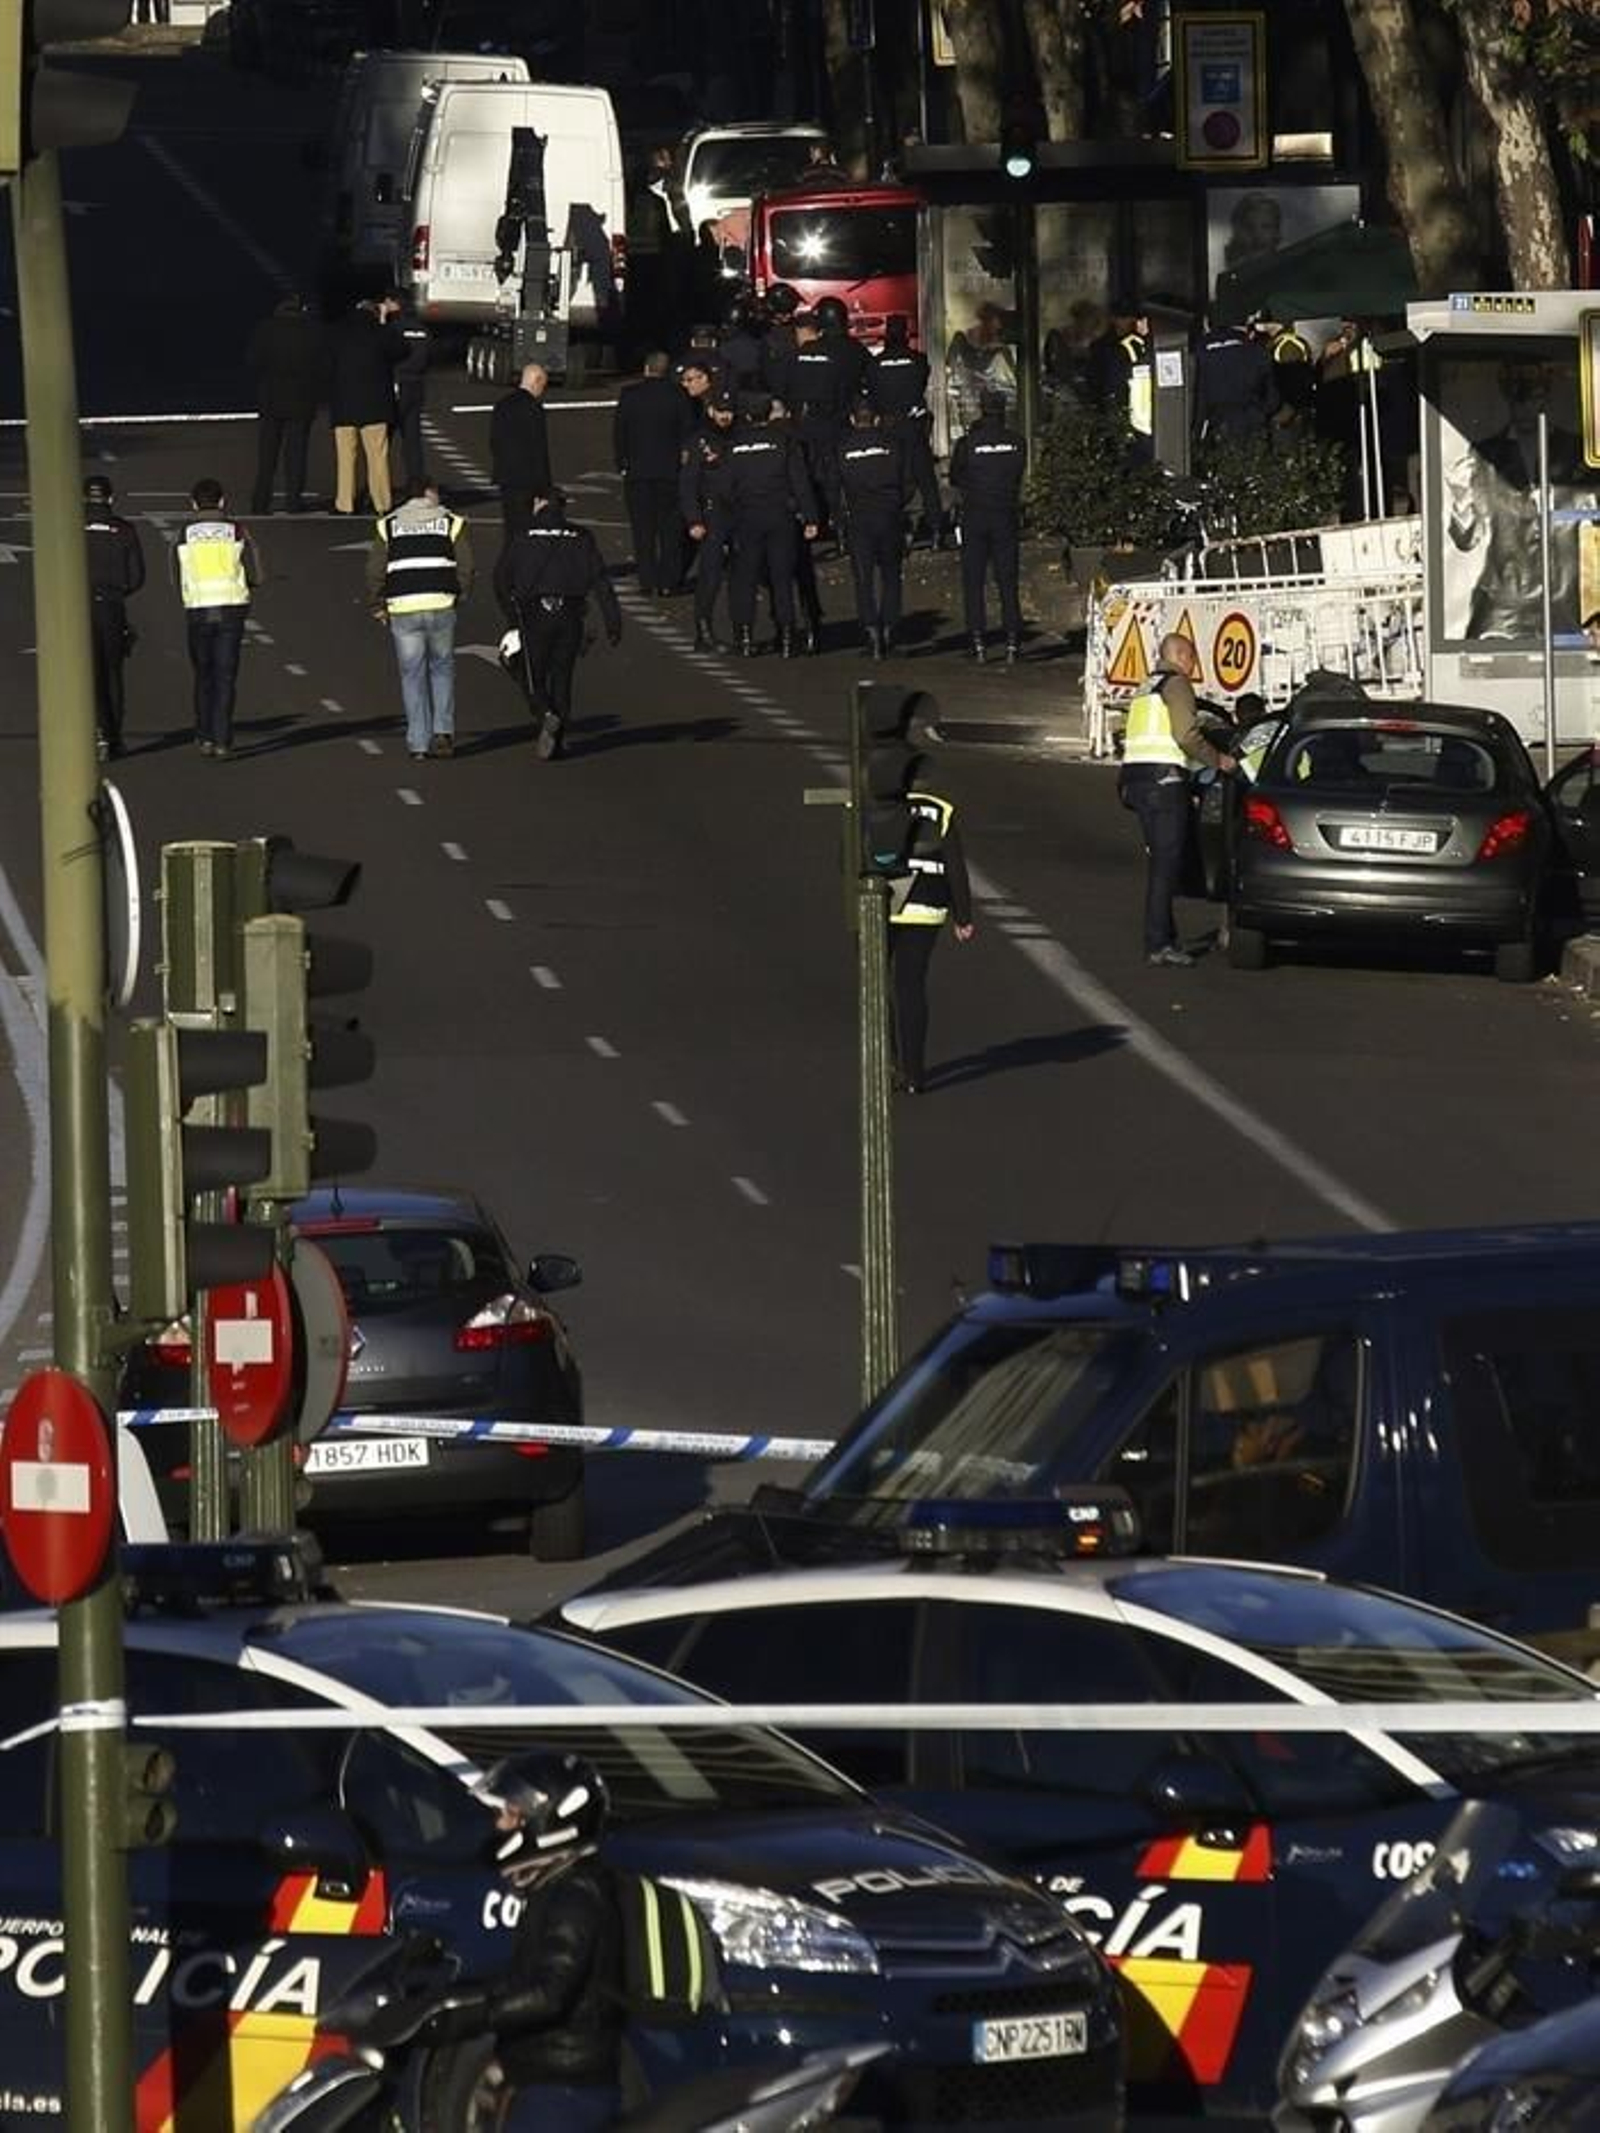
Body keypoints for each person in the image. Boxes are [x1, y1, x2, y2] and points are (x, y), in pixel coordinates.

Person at [420, 1753, 625, 2132]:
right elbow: (523, 1977)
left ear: (550, 1823)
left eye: (512, 1815)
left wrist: (475, 2015)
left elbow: (549, 1992)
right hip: (543, 2082)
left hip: (564, 2092)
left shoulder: (576, 1895)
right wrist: (451, 2000)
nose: (499, 1824)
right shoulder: (552, 1887)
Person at [1118, 632, 1237, 967]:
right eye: (1193, 658)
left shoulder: (1146, 687)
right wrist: (1218, 760)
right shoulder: (1177, 684)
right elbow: (1185, 734)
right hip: (1164, 782)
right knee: (1166, 866)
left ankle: (1164, 937)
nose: (1194, 666)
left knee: (1160, 862)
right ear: (1182, 656)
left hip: (1136, 780)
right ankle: (1158, 943)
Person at [494, 489, 622, 759]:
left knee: (531, 674)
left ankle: (545, 713)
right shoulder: (582, 536)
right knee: (562, 677)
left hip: (534, 614)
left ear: (539, 504)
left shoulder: (522, 535)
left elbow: (501, 579)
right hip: (571, 613)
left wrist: (513, 615)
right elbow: (601, 581)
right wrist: (613, 621)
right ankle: (559, 740)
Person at [882, 752, 975, 1094]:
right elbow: (956, 866)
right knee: (911, 985)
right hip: (929, 903)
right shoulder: (941, 810)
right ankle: (914, 1074)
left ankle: (887, 1062)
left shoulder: (878, 806)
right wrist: (963, 916)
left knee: (875, 983)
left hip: (886, 899)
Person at [366, 479, 474, 762]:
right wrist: (459, 595)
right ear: (428, 494)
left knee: (412, 675)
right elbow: (466, 564)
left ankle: (418, 743)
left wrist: (377, 604)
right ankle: (443, 731)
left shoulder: (388, 525)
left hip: (403, 607)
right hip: (440, 604)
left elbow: (375, 569)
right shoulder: (450, 522)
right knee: (442, 669)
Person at [171, 477, 260, 759]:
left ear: (193, 504)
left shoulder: (184, 533)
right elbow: (256, 571)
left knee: (203, 675)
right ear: (222, 501)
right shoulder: (236, 530)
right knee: (225, 676)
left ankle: (204, 735)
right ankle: (222, 740)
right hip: (231, 608)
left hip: (198, 608)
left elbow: (174, 574)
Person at [725, 391, 818, 658]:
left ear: (745, 416)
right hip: (780, 515)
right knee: (782, 579)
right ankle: (787, 637)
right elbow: (799, 481)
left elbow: (725, 487)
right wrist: (810, 516)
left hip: (747, 517)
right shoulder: (784, 442)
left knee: (745, 579)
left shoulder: (733, 445)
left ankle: (745, 637)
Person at [948, 388, 1026, 663]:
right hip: (1005, 514)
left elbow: (955, 477)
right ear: (1003, 411)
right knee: (1008, 580)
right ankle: (1013, 641)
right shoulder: (1017, 442)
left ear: (982, 409)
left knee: (974, 581)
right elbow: (1018, 473)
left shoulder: (967, 443)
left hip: (975, 515)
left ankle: (978, 641)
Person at [614, 351, 693, 596]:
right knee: (670, 531)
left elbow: (620, 432)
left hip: (638, 472)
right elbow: (687, 432)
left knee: (642, 531)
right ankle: (668, 581)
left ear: (646, 368)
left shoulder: (630, 395)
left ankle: (647, 580)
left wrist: (622, 463)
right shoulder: (679, 395)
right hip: (670, 472)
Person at [866, 314, 945, 546]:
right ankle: (936, 530)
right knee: (926, 480)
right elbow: (921, 383)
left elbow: (873, 396)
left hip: (888, 429)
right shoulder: (918, 361)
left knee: (891, 481)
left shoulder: (875, 364)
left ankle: (895, 530)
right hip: (913, 426)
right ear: (906, 335)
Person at [837, 400, 907, 659]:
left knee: (863, 577)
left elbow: (834, 483)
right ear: (876, 419)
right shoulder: (892, 445)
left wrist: (840, 514)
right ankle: (889, 628)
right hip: (888, 514)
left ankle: (871, 631)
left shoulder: (843, 448)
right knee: (891, 574)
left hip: (859, 516)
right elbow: (907, 479)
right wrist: (896, 503)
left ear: (852, 420)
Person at [245, 292, 326, 516]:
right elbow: (322, 363)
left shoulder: (266, 329)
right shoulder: (312, 331)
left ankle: (261, 501)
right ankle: (293, 500)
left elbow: (253, 360)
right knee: (296, 454)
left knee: (267, 456)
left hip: (271, 399)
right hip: (301, 399)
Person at [83, 474, 146, 760]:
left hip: (78, 607)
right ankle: (113, 736)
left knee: (86, 672)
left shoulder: (72, 527)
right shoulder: (124, 530)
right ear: (110, 498)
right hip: (111, 606)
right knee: (112, 673)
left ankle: (95, 732)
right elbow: (137, 576)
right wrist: (116, 592)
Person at [680, 391, 738, 650]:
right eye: (720, 410)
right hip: (712, 514)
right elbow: (688, 484)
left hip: (741, 513)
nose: (725, 416)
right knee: (710, 575)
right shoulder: (699, 441)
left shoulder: (740, 436)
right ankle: (703, 632)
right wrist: (694, 519)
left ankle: (742, 631)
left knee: (742, 574)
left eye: (729, 410)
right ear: (710, 410)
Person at [329, 297, 397, 517]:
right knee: (377, 457)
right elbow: (400, 349)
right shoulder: (379, 333)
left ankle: (344, 503)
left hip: (344, 404)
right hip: (375, 405)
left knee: (346, 457)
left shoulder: (338, 333)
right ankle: (382, 503)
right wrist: (384, 322)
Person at [491, 362, 553, 547]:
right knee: (528, 530)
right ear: (536, 381)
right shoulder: (534, 408)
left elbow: (494, 441)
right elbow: (539, 449)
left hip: (506, 477)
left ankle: (510, 559)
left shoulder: (502, 405)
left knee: (511, 527)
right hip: (528, 481)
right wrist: (545, 487)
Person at [1193, 315, 1275, 446]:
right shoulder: (1257, 352)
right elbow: (1272, 398)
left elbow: (1197, 398)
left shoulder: (1198, 353)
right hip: (1253, 426)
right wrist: (1259, 414)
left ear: (1207, 324)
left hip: (1215, 428)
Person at [384, 287, 432, 500]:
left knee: (382, 438)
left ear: (395, 303)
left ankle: (378, 484)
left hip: (395, 384)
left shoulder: (393, 328)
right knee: (412, 439)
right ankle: (416, 482)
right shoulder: (422, 330)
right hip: (416, 385)